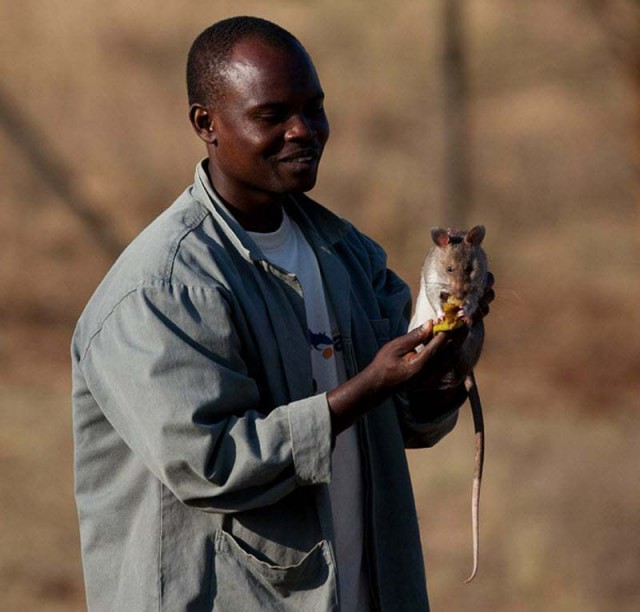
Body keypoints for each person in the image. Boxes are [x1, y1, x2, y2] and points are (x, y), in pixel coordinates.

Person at [71, 16, 493, 612]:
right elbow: (214, 466)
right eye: (272, 116)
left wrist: (446, 365)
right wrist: (367, 386)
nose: (304, 131)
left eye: (314, 109)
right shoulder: (161, 289)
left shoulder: (349, 255)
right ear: (206, 124)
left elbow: (406, 423)